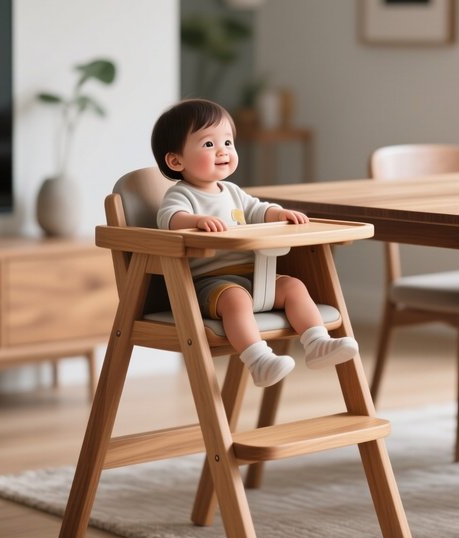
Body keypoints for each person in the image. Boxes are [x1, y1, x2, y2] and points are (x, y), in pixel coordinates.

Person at [151, 99, 359, 387]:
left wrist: (279, 213)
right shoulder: (182, 195)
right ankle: (258, 360)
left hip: (254, 277)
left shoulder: (233, 192)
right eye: (208, 144)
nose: (223, 150)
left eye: (227, 141)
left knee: (293, 287)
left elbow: (258, 209)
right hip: (211, 284)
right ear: (176, 161)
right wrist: (195, 221)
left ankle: (317, 342)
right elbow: (169, 219)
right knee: (237, 301)